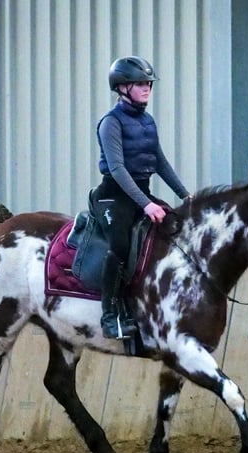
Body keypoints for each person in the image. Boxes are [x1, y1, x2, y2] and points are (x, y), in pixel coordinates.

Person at [90, 55, 191, 339]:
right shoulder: (110, 123)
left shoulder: (147, 121)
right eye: (139, 83)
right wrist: (146, 205)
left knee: (174, 229)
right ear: (122, 88)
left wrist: (185, 196)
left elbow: (160, 162)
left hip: (140, 193)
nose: (147, 87)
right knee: (120, 246)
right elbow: (118, 169)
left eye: (148, 83)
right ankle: (109, 315)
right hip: (113, 196)